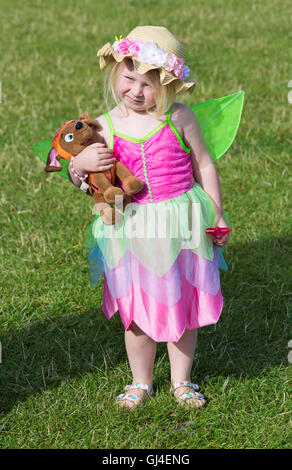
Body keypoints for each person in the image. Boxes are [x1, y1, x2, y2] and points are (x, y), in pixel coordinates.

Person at [68, 26, 230, 410]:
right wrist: (80, 163)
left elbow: (204, 164)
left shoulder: (180, 117)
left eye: (148, 84)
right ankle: (141, 381)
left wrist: (217, 212)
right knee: (136, 311)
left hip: (182, 222)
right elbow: (86, 182)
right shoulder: (105, 126)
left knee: (183, 304)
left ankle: (181, 380)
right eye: (129, 79)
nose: (136, 91)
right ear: (115, 74)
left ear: (170, 86)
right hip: (133, 227)